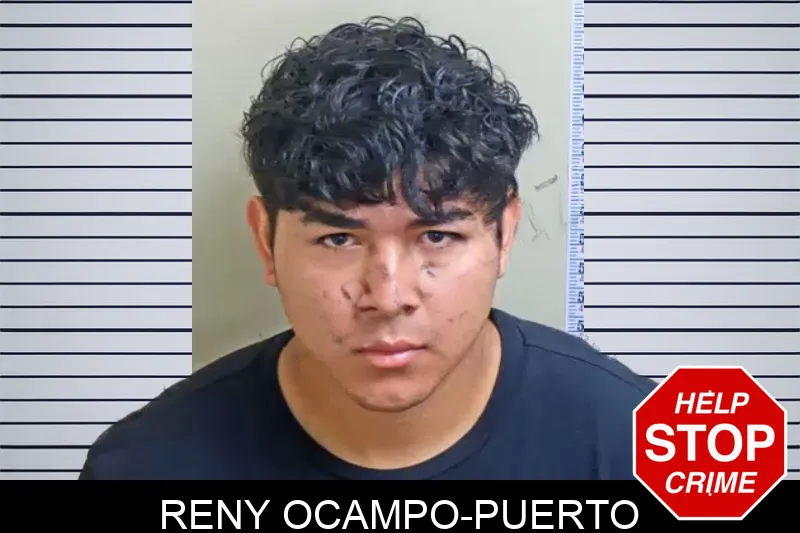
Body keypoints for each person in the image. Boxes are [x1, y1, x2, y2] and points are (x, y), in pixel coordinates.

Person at [79, 16, 655, 480]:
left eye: (437, 236)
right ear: (265, 240)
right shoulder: (145, 466)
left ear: (504, 233)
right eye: (338, 238)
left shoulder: (639, 447)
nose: (388, 296)